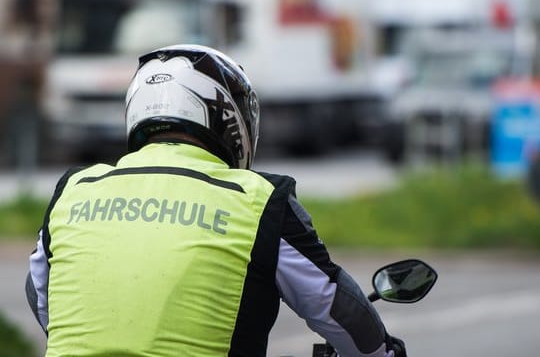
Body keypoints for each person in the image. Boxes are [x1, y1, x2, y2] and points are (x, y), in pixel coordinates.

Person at [26, 44, 406, 357]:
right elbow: (336, 308)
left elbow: (42, 297)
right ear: (224, 114)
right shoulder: (259, 201)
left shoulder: (73, 189)